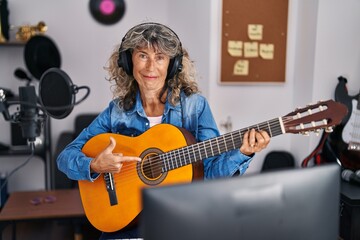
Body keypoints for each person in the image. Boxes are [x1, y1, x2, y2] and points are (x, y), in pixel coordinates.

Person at [57, 22, 271, 239]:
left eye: (160, 57)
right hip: (126, 224)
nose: (151, 67)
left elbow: (211, 176)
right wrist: (94, 165)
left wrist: (242, 152)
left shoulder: (195, 107)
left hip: (179, 221)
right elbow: (65, 157)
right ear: (128, 61)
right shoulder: (117, 111)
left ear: (172, 64)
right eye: (142, 55)